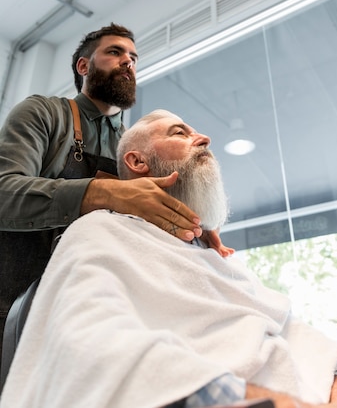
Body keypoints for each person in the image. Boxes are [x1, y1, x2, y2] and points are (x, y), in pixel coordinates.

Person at [0, 109, 337, 408]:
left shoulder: (209, 253)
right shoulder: (101, 231)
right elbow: (93, 346)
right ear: (136, 161)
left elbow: (306, 341)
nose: (204, 138)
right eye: (179, 133)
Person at [0, 25, 215, 360]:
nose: (127, 61)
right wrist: (104, 193)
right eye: (115, 52)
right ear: (84, 67)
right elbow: (3, 194)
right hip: (12, 307)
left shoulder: (134, 146)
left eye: (133, 57)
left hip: (92, 311)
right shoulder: (43, 114)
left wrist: (194, 220)